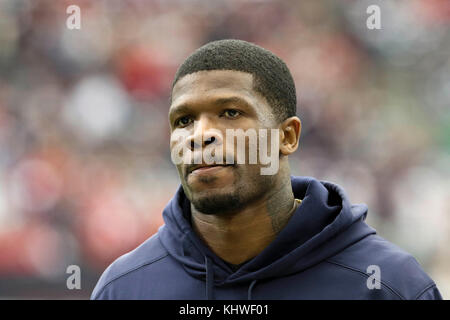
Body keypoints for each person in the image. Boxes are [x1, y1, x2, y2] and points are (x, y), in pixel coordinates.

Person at [91, 39, 442, 300]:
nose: (200, 135)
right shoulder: (124, 288)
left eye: (230, 112)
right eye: (184, 120)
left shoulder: (388, 285)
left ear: (286, 137)